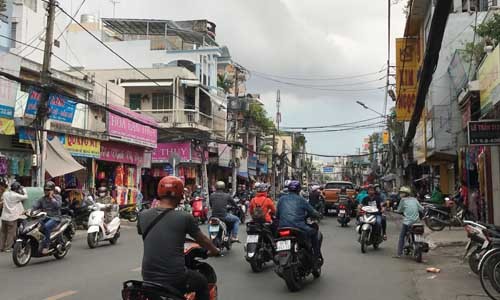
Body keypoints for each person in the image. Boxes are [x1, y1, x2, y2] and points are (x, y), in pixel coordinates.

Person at [138, 176, 219, 300]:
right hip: (175, 277)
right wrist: (214, 250)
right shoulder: (185, 217)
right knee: (202, 282)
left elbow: (144, 232)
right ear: (180, 196)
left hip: (148, 277)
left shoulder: (143, 216)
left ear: (159, 193)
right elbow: (202, 240)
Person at [277, 180, 322, 262]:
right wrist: (318, 215)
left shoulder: (281, 199)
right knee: (315, 232)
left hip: (282, 227)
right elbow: (313, 212)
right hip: (298, 227)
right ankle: (316, 257)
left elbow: (277, 215)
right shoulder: (301, 200)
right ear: (299, 190)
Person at [32, 181, 62, 254]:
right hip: (45, 218)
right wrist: (29, 210)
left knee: (47, 226)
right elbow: (35, 206)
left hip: (55, 218)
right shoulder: (42, 199)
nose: (46, 191)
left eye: (48, 190)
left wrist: (52, 198)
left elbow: (58, 205)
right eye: (45, 190)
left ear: (52, 190)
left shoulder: (57, 197)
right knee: (35, 227)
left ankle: (46, 246)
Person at [394, 186, 424, 258]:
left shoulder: (403, 200)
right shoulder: (414, 199)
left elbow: (399, 210)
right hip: (417, 222)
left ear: (405, 194)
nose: (400, 194)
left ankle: (399, 253)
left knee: (402, 236)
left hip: (407, 222)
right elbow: (421, 208)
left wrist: (395, 211)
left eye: (401, 193)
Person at [0, 182, 27, 252]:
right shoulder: (16, 196)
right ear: (17, 189)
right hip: (12, 218)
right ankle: (7, 248)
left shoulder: (5, 194)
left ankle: (1, 247)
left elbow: (8, 190)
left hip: (4, 217)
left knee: (3, 233)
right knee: (10, 233)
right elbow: (26, 197)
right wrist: (24, 189)